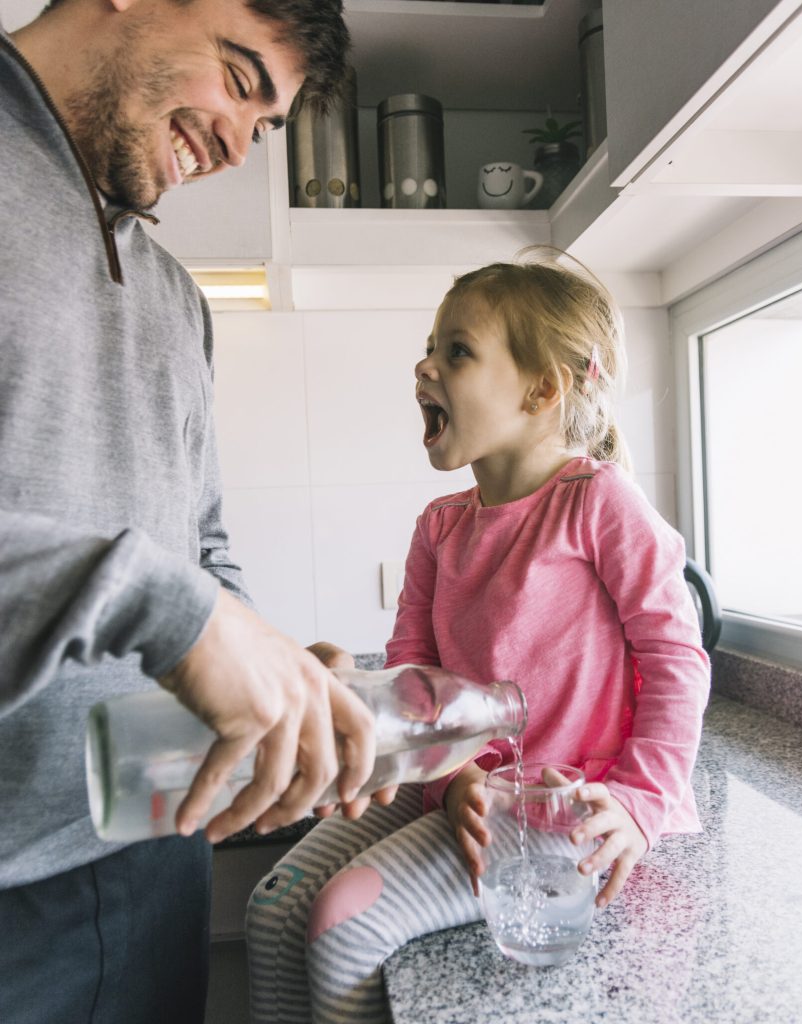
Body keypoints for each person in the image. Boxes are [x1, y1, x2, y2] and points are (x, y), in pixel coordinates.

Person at [0, 1, 377, 1021]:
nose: (237, 145)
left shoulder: (176, 298)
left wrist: (277, 669)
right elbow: (167, 591)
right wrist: (176, 611)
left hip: (155, 853)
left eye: (265, 127)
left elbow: (198, 545)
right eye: (240, 79)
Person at [245, 250, 712, 1024]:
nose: (425, 366)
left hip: (565, 815)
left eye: (455, 350)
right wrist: (447, 778)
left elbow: (675, 659)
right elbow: (411, 680)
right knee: (273, 907)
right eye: (431, 347)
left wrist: (639, 803)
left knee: (341, 924)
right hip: (460, 795)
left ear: (541, 388)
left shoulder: (599, 503)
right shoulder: (439, 527)